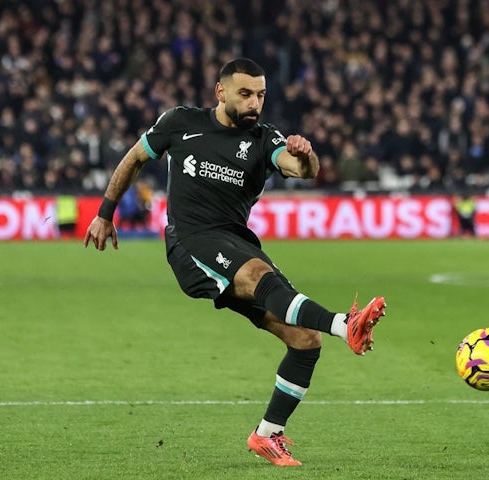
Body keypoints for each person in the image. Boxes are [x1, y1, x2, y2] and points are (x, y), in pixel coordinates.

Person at [83, 58, 386, 467]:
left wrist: (307, 154)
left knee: (303, 340)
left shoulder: (263, 139)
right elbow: (135, 158)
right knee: (260, 276)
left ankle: (267, 435)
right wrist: (105, 212)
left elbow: (300, 169)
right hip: (190, 242)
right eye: (245, 94)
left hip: (236, 243)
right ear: (220, 92)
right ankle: (343, 324)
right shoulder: (179, 122)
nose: (254, 103)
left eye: (260, 95)